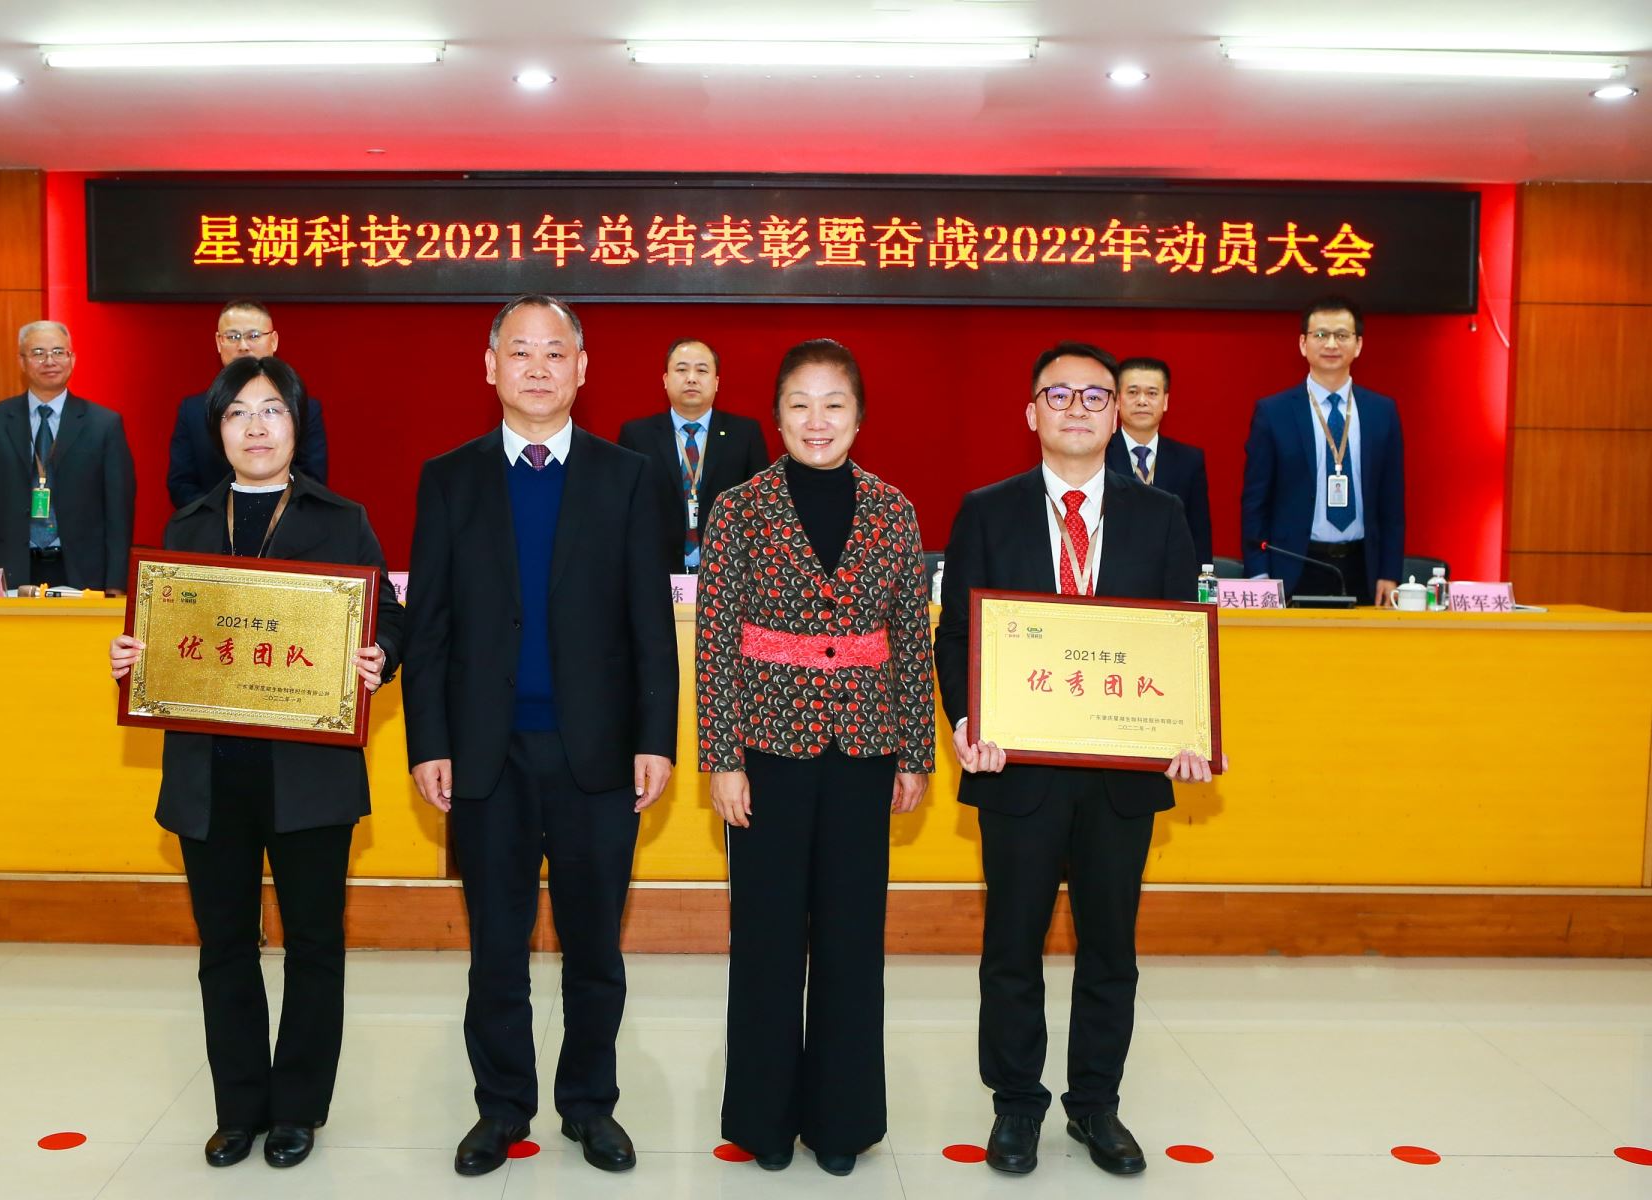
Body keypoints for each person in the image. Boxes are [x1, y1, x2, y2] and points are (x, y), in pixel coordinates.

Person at [403, 294, 679, 1177]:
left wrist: (657, 737)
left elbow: (650, 623)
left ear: (582, 369)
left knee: (595, 948)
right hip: (486, 755)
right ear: (490, 366)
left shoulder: (628, 475)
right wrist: (428, 741)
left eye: (554, 352)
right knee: (497, 949)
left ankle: (590, 1105)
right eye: (518, 351)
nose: (536, 367)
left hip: (597, 754)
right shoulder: (448, 478)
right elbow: (430, 625)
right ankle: (501, 1108)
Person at [108, 355, 403, 1170]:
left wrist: (379, 653)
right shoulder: (186, 526)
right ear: (219, 431)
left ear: (296, 426)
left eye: (272, 410)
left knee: (314, 944)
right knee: (225, 947)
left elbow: (392, 615)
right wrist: (134, 656)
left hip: (310, 774)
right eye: (238, 413)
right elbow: (163, 632)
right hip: (211, 776)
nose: (256, 427)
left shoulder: (342, 518)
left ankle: (298, 1108)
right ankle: (239, 1108)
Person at [934, 341, 1219, 1178]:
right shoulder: (986, 511)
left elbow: (1177, 639)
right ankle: (1016, 1104)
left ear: (1118, 412)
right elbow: (956, 637)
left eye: (1096, 396)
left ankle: (1096, 1103)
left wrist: (1188, 730)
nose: (1078, 409)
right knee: (1011, 949)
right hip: (1015, 772)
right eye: (1058, 395)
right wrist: (965, 721)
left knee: (1110, 953)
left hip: (1121, 780)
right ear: (1031, 413)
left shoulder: (1161, 514)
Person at [696, 339, 936, 1177]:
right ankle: (763, 1120)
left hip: (865, 749)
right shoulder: (738, 510)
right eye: (799, 403)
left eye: (834, 404)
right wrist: (721, 758)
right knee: (765, 940)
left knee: (850, 938)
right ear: (777, 416)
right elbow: (716, 641)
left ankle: (842, 1122)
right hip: (767, 751)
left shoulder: (894, 510)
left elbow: (911, 637)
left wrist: (916, 751)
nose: (817, 420)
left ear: (859, 416)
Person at [1241, 295, 1405, 605]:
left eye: (1342, 335)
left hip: (1363, 567)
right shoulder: (1273, 412)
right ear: (1303, 344)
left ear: (1358, 345)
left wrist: (1389, 571)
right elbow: (1255, 502)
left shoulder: (1382, 412)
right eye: (1320, 334)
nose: (1331, 344)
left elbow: (1392, 502)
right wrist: (1259, 575)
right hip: (1293, 565)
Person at [0, 320, 135, 590]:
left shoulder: (104, 424)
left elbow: (118, 513)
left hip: (82, 571)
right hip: (9, 568)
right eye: (38, 353)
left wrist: (116, 582)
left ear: (72, 359)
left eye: (58, 352)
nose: (49, 361)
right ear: (22, 361)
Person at [617, 337, 770, 573]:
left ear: (716, 382)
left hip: (728, 573)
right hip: (657, 572)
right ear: (665, 380)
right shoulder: (637, 436)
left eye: (701, 370)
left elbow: (761, 510)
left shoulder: (745, 434)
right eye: (681, 370)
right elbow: (623, 512)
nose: (691, 378)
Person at [169, 300, 329, 507]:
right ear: (219, 342)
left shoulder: (304, 407)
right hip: (212, 524)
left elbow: (312, 481)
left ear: (273, 341)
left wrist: (271, 518)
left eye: (253, 336)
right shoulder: (193, 411)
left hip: (287, 524)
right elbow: (181, 484)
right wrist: (224, 517)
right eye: (233, 337)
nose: (243, 346)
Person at [1104, 357, 1212, 571]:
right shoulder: (1098, 454)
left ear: (1165, 401)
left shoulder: (1189, 460)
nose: (1142, 401)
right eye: (1133, 392)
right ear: (1117, 400)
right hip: (1110, 576)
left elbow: (1199, 536)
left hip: (1170, 577)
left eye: (1152, 393)